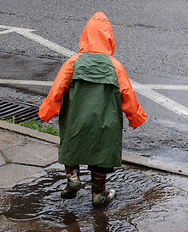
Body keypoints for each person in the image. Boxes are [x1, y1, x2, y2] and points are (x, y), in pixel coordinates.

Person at [38, 12, 147, 205]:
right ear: (109, 39)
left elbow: (57, 90)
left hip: (75, 119)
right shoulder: (115, 66)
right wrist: (135, 117)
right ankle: (99, 193)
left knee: (72, 144)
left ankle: (72, 179)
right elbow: (128, 95)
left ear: (86, 36)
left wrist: (47, 112)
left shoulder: (73, 62)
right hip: (106, 122)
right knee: (101, 152)